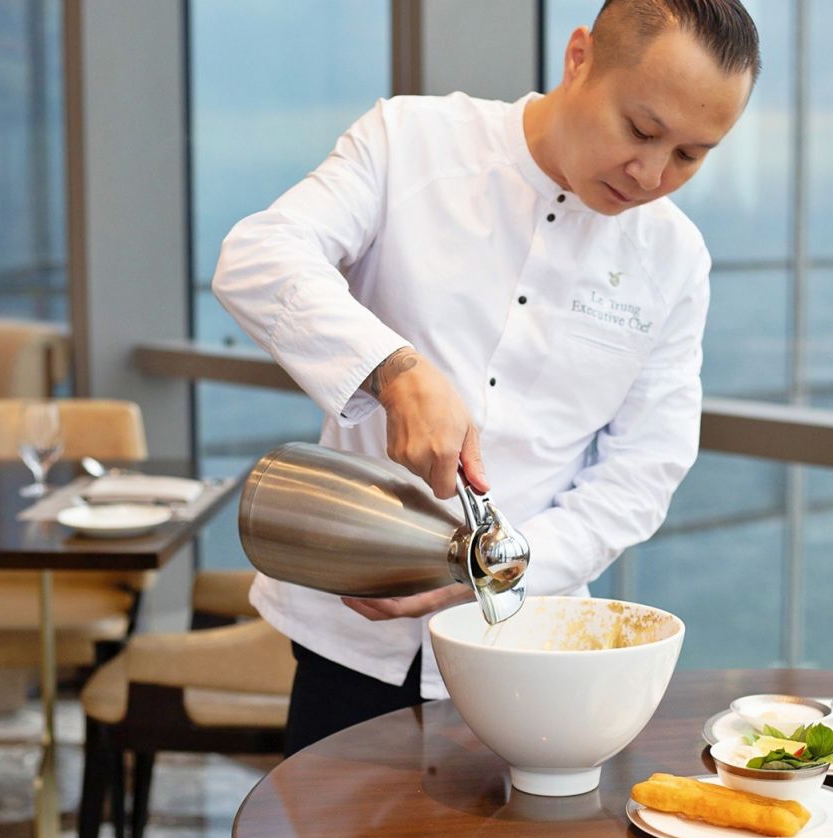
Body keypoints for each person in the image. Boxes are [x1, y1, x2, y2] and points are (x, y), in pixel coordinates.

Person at [213, 0, 759, 754]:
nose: (652, 173)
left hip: (532, 647)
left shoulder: (673, 257)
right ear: (579, 59)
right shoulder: (411, 141)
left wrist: (503, 566)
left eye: (692, 156)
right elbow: (258, 255)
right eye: (641, 130)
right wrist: (393, 370)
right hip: (351, 641)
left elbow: (644, 468)